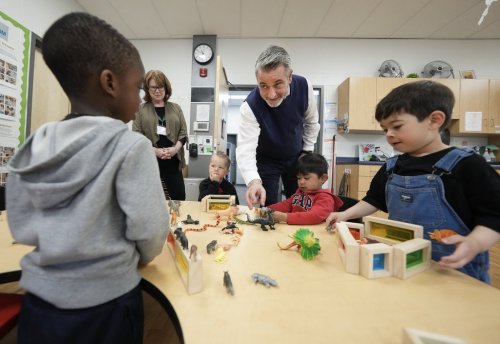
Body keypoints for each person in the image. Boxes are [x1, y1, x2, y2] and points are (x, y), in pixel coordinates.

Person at [6, 12, 169, 343]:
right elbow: (151, 235)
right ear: (109, 83)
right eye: (137, 87)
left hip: (39, 305)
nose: (140, 100)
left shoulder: (37, 142)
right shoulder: (131, 147)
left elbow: (20, 226)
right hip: (107, 305)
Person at [326, 80, 500, 283]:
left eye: (397, 126)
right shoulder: (393, 166)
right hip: (403, 265)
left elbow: (494, 216)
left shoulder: (468, 165)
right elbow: (374, 200)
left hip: (454, 270)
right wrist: (345, 214)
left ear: (434, 120)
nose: (389, 134)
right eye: (385, 129)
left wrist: (475, 243)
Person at [236, 45, 320, 208]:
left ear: (290, 77)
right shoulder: (249, 106)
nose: (271, 94)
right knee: (268, 207)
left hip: (296, 156)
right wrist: (253, 181)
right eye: (264, 86)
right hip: (266, 161)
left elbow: (311, 122)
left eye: (278, 84)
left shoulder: (304, 86)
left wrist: (306, 152)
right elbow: (245, 149)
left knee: (300, 205)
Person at [133, 69, 188, 200]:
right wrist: (155, 151)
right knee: (150, 200)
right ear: (147, 89)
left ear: (166, 87)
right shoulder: (140, 109)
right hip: (150, 161)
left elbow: (183, 133)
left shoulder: (176, 108)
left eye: (160, 87)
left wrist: (175, 149)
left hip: (173, 161)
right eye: (153, 87)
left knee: (179, 198)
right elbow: (136, 136)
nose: (157, 91)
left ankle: (175, 221)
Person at [268, 152, 343, 225]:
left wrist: (285, 217)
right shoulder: (300, 192)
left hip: (313, 235)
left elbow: (313, 216)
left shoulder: (326, 198)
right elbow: (287, 204)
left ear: (323, 178)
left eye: (306, 178)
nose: (301, 182)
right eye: (299, 178)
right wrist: (267, 209)